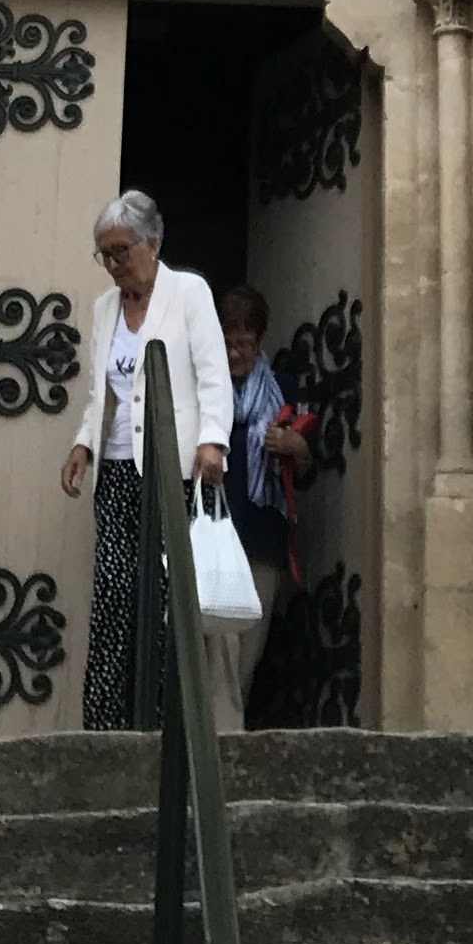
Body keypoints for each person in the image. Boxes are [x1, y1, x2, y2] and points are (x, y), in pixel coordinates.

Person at [59, 189, 229, 728]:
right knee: (113, 598)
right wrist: (84, 444)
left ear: (151, 244)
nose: (113, 264)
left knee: (163, 601)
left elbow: (212, 373)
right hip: (116, 472)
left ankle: (159, 725)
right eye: (104, 254)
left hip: (172, 471)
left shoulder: (189, 293)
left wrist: (212, 440)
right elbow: (101, 393)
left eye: (121, 251)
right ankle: (105, 727)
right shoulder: (104, 308)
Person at [208, 282, 304, 732]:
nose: (234, 353)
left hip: (264, 539)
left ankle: (227, 736)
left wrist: (295, 446)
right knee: (220, 648)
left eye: (243, 343)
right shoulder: (206, 392)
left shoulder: (282, 391)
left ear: (259, 340)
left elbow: (305, 472)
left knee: (247, 655)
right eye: (227, 342)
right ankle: (223, 743)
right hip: (217, 535)